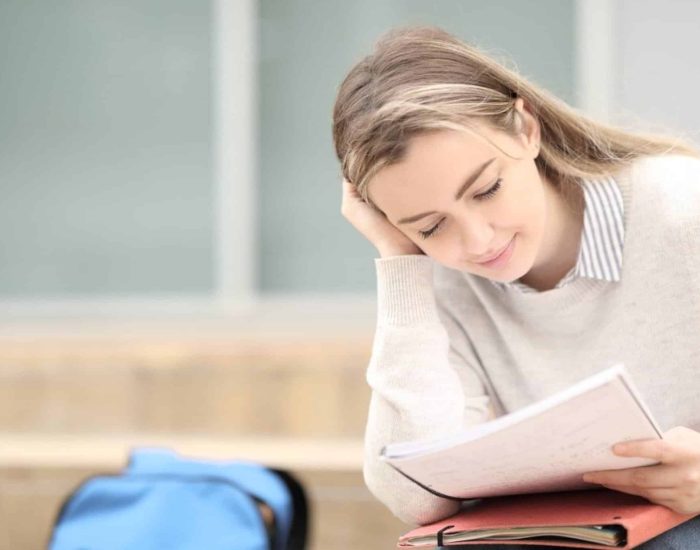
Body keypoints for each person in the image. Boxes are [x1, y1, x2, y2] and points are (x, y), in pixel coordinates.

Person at [332, 25, 700, 549]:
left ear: (526, 127)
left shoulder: (684, 212)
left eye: (487, 189)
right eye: (430, 226)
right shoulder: (442, 282)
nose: (478, 241)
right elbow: (412, 498)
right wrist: (402, 267)